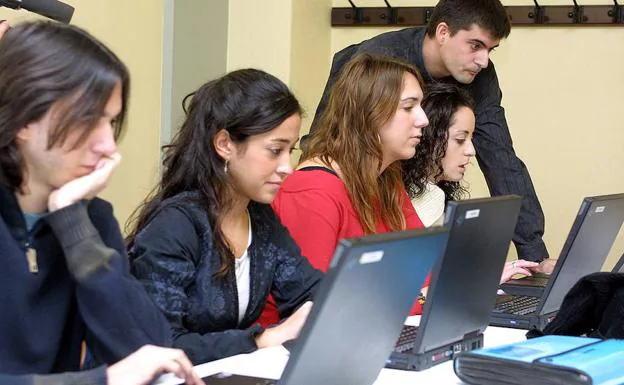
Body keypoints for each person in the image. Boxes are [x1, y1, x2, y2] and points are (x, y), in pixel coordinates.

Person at [0, 20, 204, 385]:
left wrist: (75, 227)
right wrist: (100, 381)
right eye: (90, 120)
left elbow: (150, 353)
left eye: (111, 122)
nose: (109, 146)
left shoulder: (87, 218)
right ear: (23, 120)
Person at [310, 0, 553, 271]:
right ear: (443, 33)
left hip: (417, 202)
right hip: (362, 205)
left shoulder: (481, 76)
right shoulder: (378, 59)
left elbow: (501, 158)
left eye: (491, 50)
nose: (484, 61)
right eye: (475, 46)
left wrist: (536, 258)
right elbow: (325, 145)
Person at [127, 69, 323, 365]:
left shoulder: (260, 219)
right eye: (275, 150)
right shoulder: (175, 226)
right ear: (225, 145)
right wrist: (261, 340)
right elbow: (161, 344)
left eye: (290, 150)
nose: (287, 167)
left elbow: (308, 291)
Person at [262, 54, 429, 325]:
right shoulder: (312, 190)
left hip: (367, 331)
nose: (423, 119)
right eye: (409, 107)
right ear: (370, 114)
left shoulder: (386, 179)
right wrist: (421, 299)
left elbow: (426, 266)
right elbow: (316, 307)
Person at [405, 82, 539, 283]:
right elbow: (420, 282)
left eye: (471, 138)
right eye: (460, 139)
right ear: (428, 138)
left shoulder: (429, 193)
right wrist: (482, 278)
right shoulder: (427, 197)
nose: (471, 151)